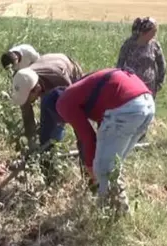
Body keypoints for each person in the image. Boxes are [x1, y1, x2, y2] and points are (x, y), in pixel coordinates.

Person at [42, 68, 155, 214]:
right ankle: (120, 213)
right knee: (113, 165)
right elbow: (102, 130)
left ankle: (110, 217)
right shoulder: (81, 91)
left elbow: (88, 138)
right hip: (146, 103)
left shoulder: (63, 104)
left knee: (103, 169)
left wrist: (90, 168)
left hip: (127, 107)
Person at [10, 53, 83, 184]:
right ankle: (48, 155)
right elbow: (27, 117)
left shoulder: (59, 81)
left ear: (36, 89)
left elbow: (76, 111)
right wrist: (31, 145)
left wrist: (84, 144)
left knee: (54, 119)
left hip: (68, 69)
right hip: (49, 66)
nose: (26, 101)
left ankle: (53, 162)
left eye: (28, 98)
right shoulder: (23, 80)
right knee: (46, 126)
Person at [116, 17, 167, 100]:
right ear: (145, 31)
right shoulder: (129, 44)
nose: (155, 34)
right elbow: (120, 62)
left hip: (149, 86)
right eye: (153, 31)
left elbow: (162, 64)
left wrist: (160, 81)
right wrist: (119, 80)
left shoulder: (155, 45)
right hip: (131, 84)